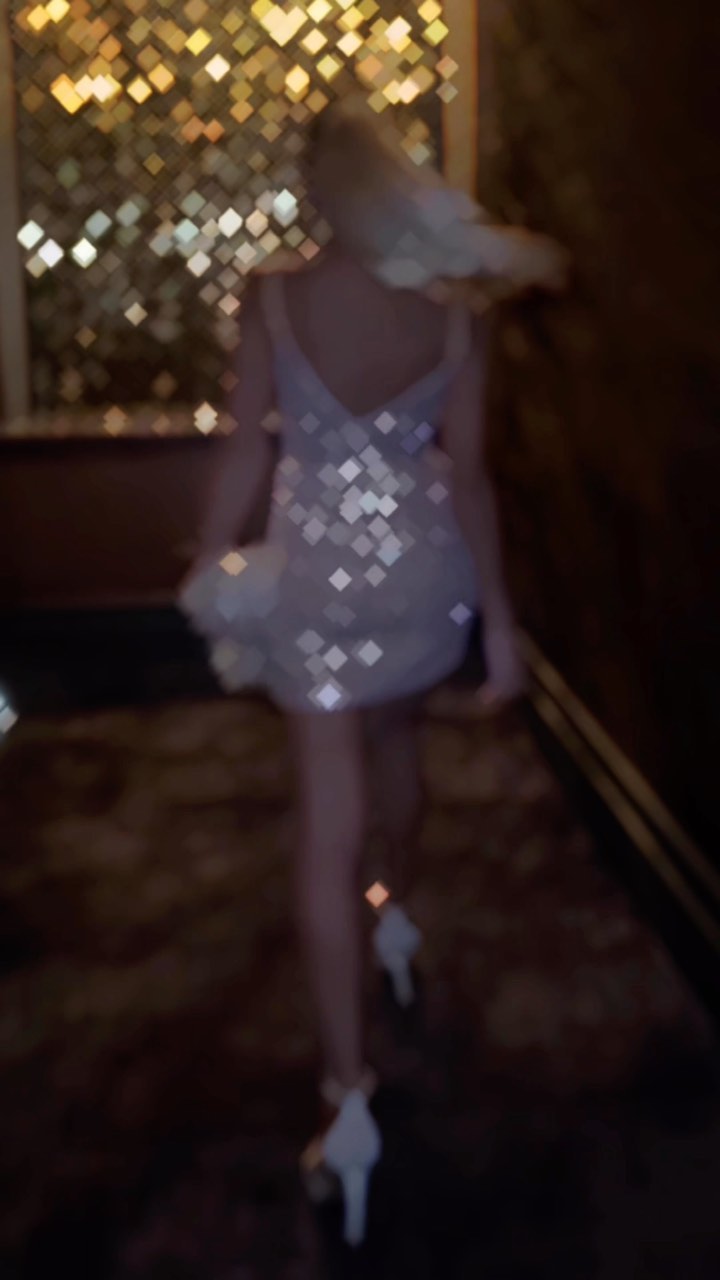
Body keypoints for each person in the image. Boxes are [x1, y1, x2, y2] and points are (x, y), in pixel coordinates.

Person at [180, 97, 566, 1247]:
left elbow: (246, 444)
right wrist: (501, 623)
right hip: (421, 570)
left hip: (317, 579)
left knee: (324, 825)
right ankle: (395, 908)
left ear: (318, 191)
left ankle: (346, 1093)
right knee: (399, 741)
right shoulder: (454, 314)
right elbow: (473, 477)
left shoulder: (273, 297)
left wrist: (209, 555)